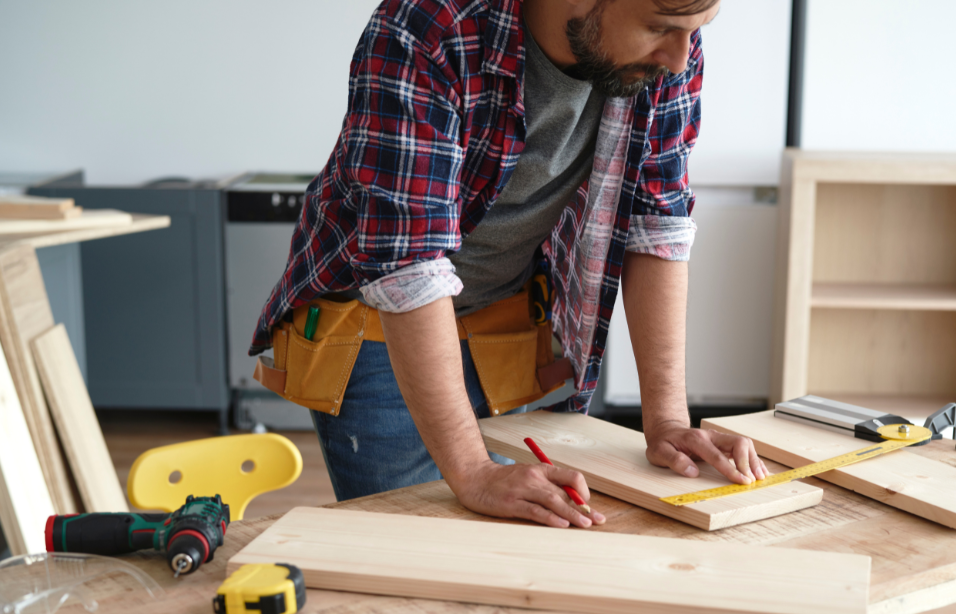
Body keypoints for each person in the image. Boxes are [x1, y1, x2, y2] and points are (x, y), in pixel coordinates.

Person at [250, 0, 769, 530]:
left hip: (504, 317)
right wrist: (473, 471)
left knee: (509, 540)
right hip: (380, 327)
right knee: (418, 554)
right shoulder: (429, 27)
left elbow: (656, 224)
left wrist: (666, 422)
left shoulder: (666, 47)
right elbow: (406, 267)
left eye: (694, 32)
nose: (682, 58)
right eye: (660, 30)